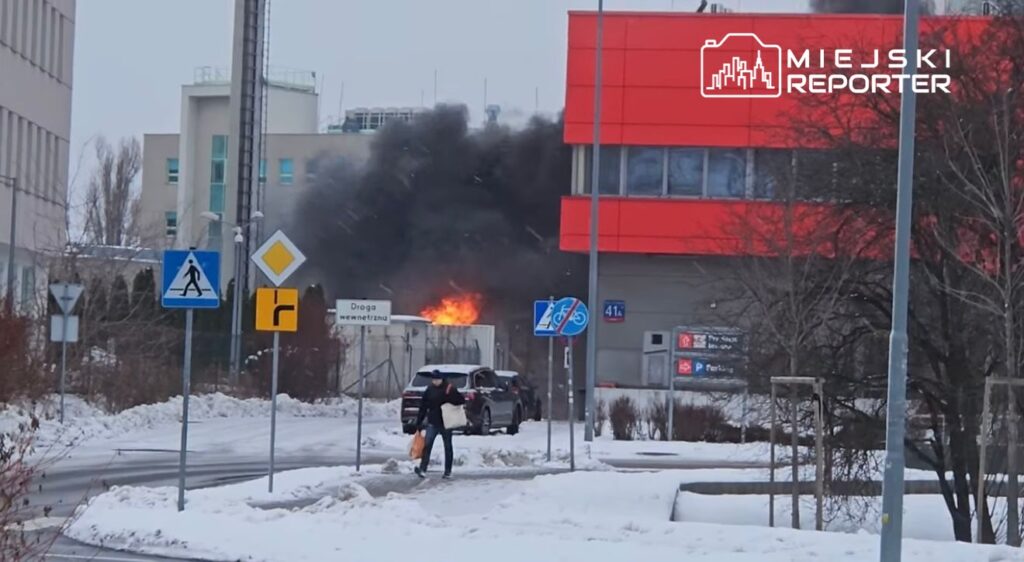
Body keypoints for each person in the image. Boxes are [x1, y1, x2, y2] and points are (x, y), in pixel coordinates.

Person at [414, 370, 466, 479]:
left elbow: (461, 400)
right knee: (427, 445)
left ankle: (448, 471)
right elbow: (423, 406)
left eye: (437, 379)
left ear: (442, 379)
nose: (435, 381)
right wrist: (419, 421)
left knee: (447, 446)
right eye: (434, 379)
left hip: (446, 422)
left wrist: (450, 398)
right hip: (433, 421)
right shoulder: (430, 390)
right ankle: (423, 469)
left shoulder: (449, 388)